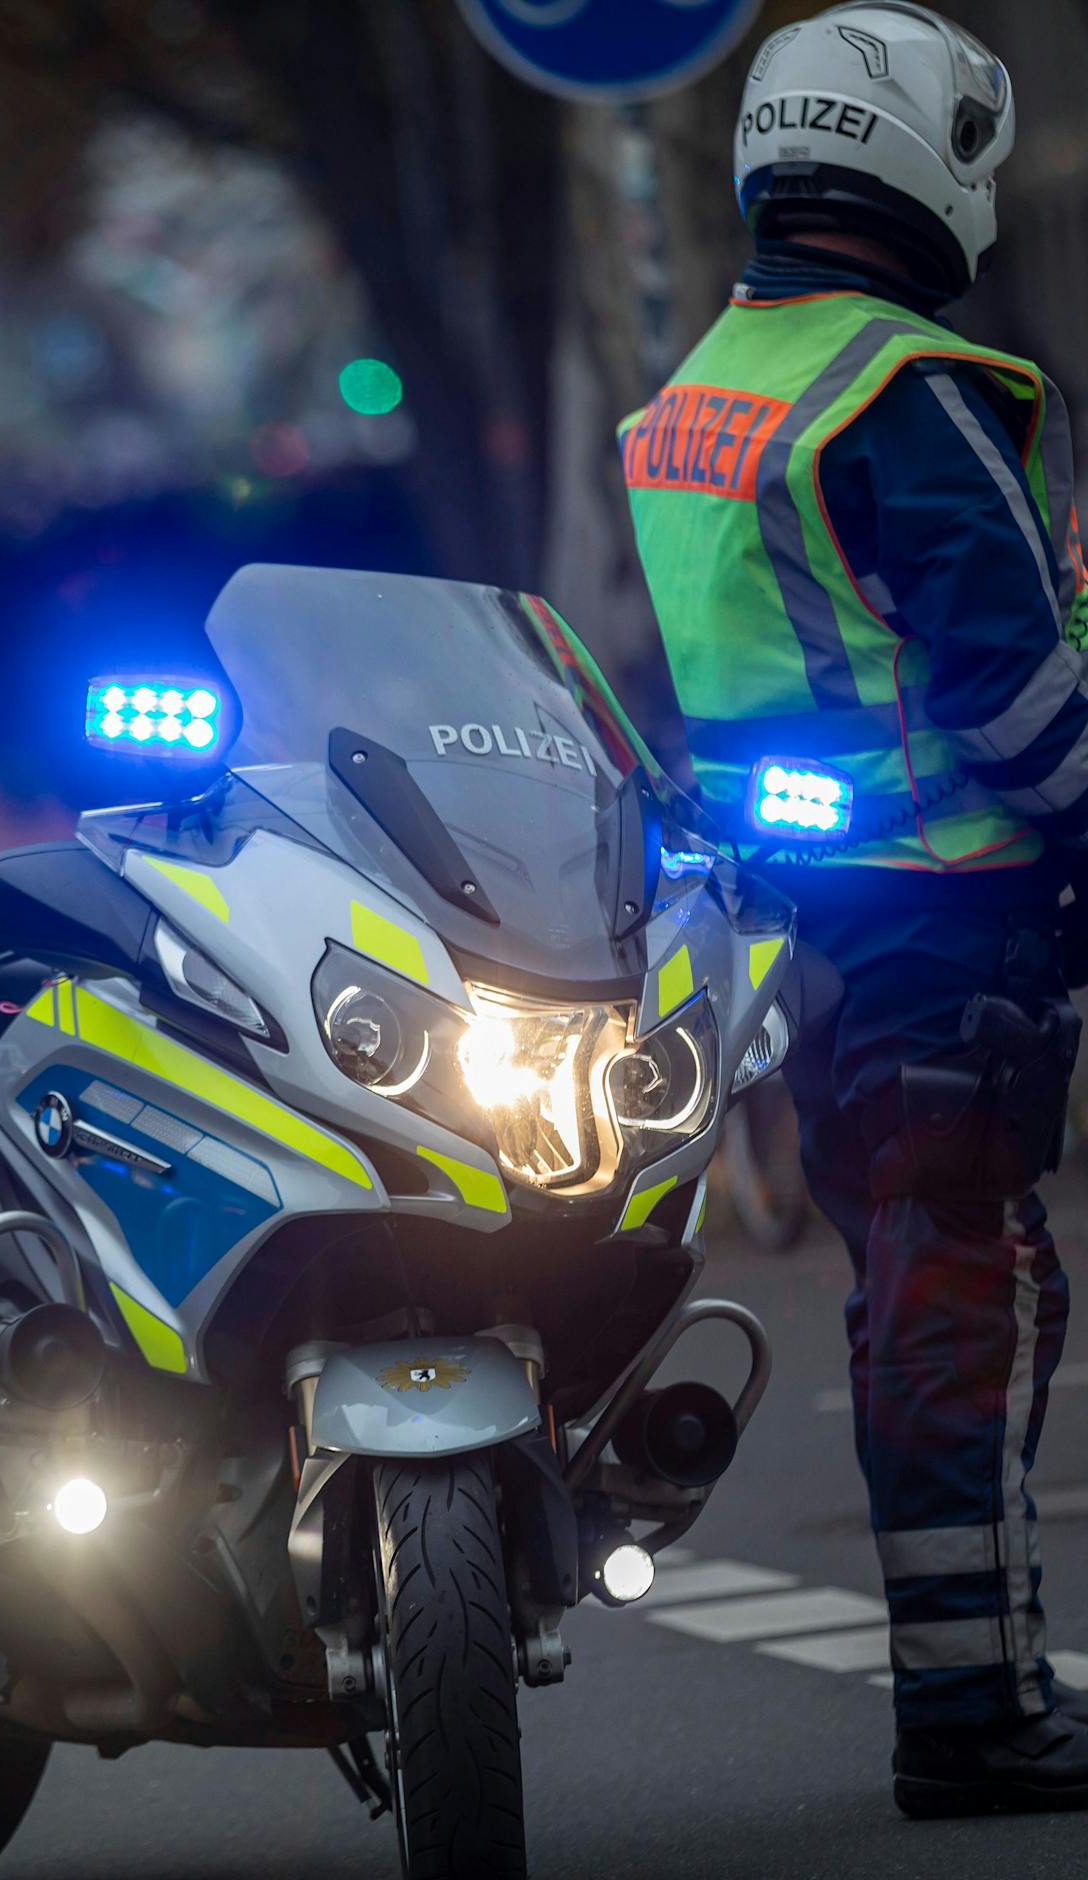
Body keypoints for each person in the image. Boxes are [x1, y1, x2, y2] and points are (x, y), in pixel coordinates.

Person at [620, 4, 1088, 1818]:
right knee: (970, 1294)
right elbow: (1012, 690)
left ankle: (966, 1693)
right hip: (953, 916)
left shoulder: (699, 397)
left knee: (911, 1286)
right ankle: (971, 1718)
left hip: (808, 926)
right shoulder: (902, 386)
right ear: (918, 155)